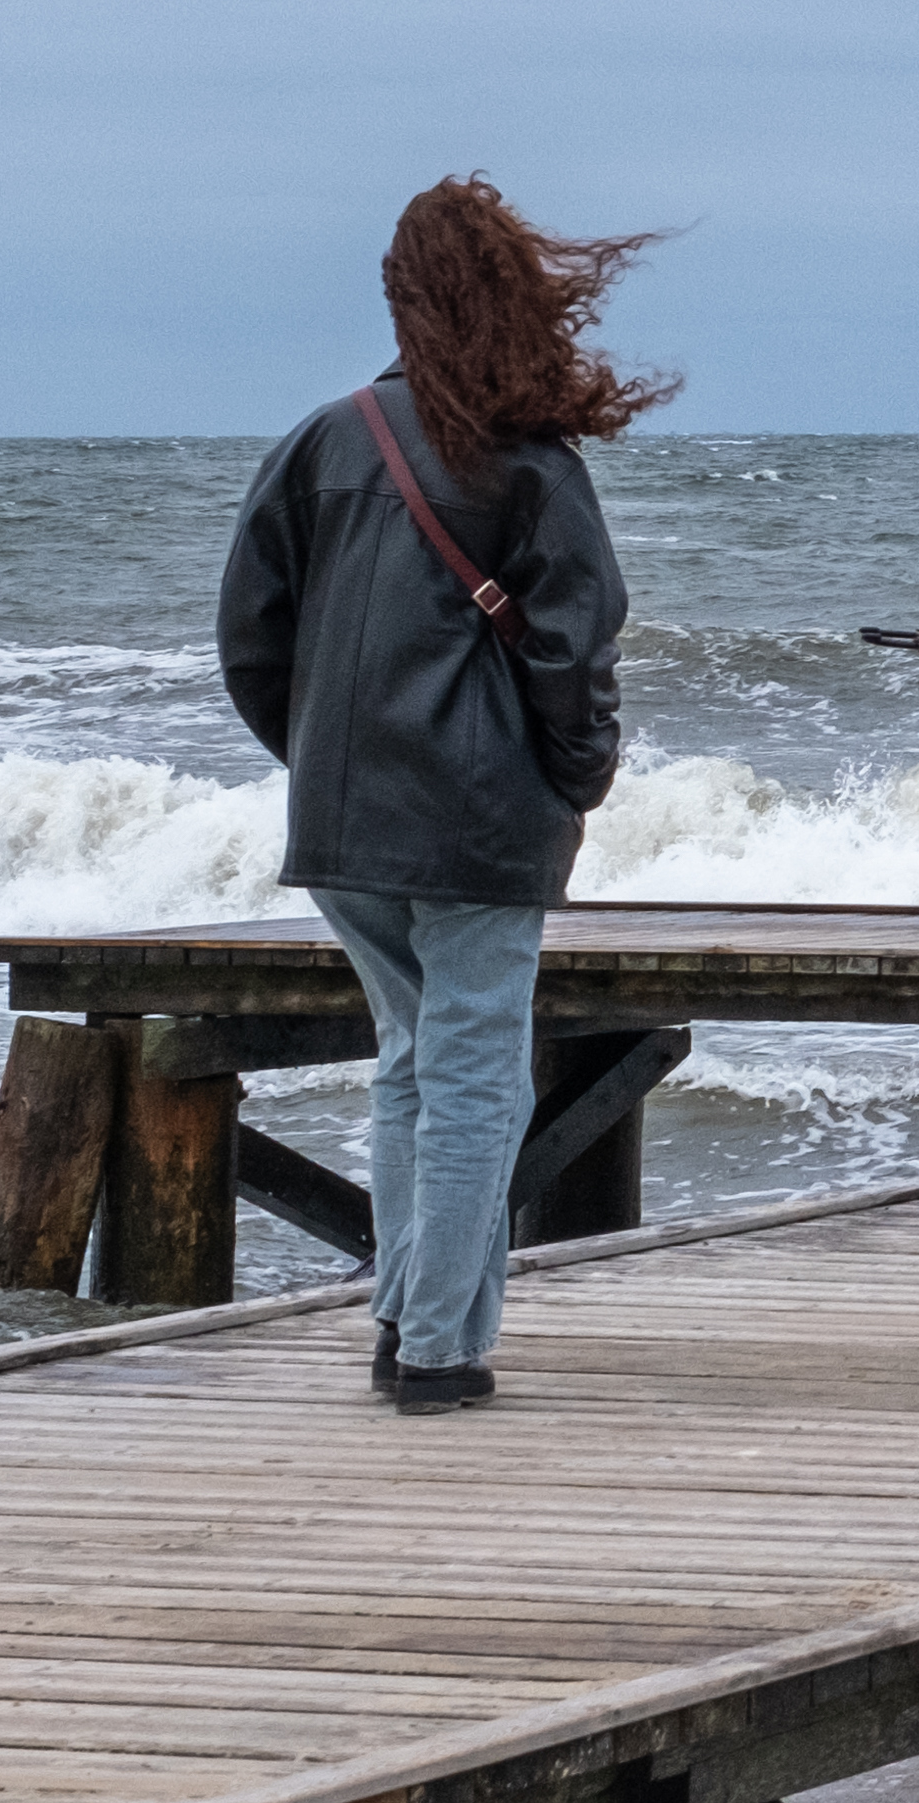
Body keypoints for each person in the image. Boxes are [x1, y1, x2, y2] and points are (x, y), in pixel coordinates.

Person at [219, 175, 656, 1417]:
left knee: (412, 1065)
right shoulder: (526, 460)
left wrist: (320, 761)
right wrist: (574, 781)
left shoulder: (323, 438)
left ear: (401, 297)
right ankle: (438, 1351)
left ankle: (405, 1311)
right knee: (471, 1077)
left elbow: (250, 639)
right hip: (476, 824)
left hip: (346, 831)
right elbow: (578, 648)